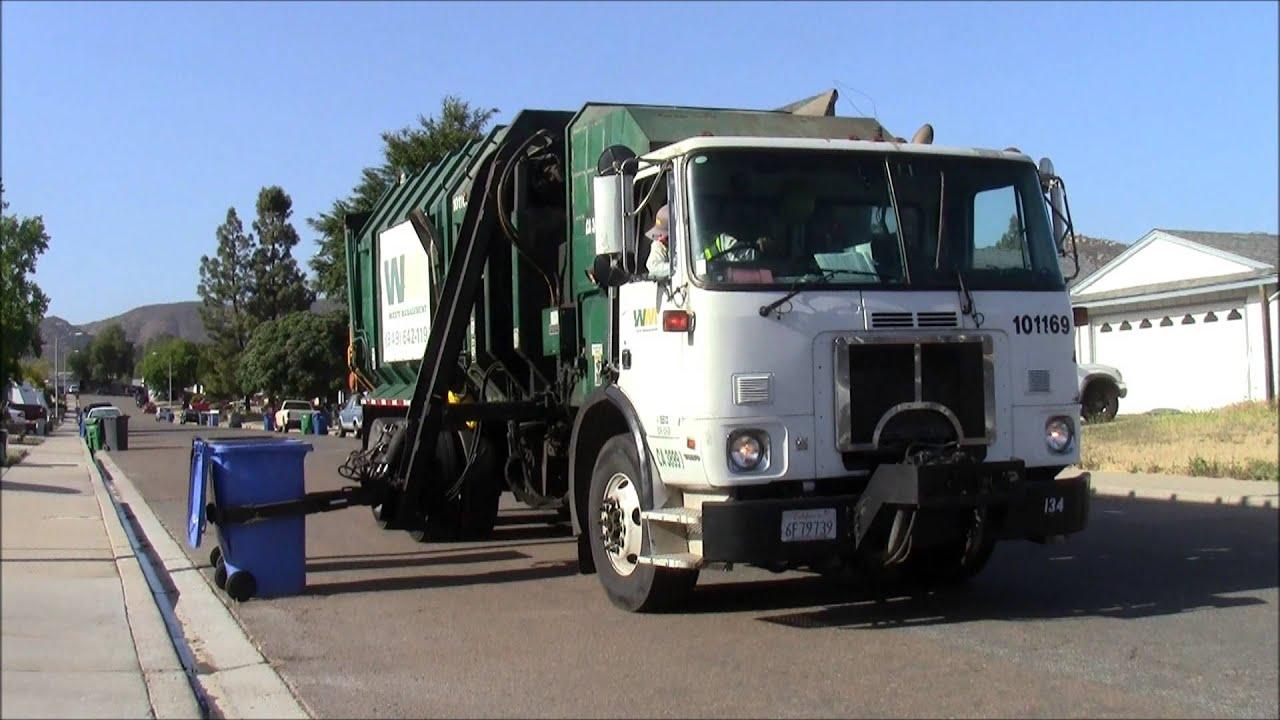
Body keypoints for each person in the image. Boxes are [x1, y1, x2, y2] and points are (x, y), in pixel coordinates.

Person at [644, 204, 672, 277]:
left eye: (664, 235)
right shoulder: (659, 244)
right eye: (659, 234)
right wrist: (677, 268)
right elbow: (653, 266)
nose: (659, 238)